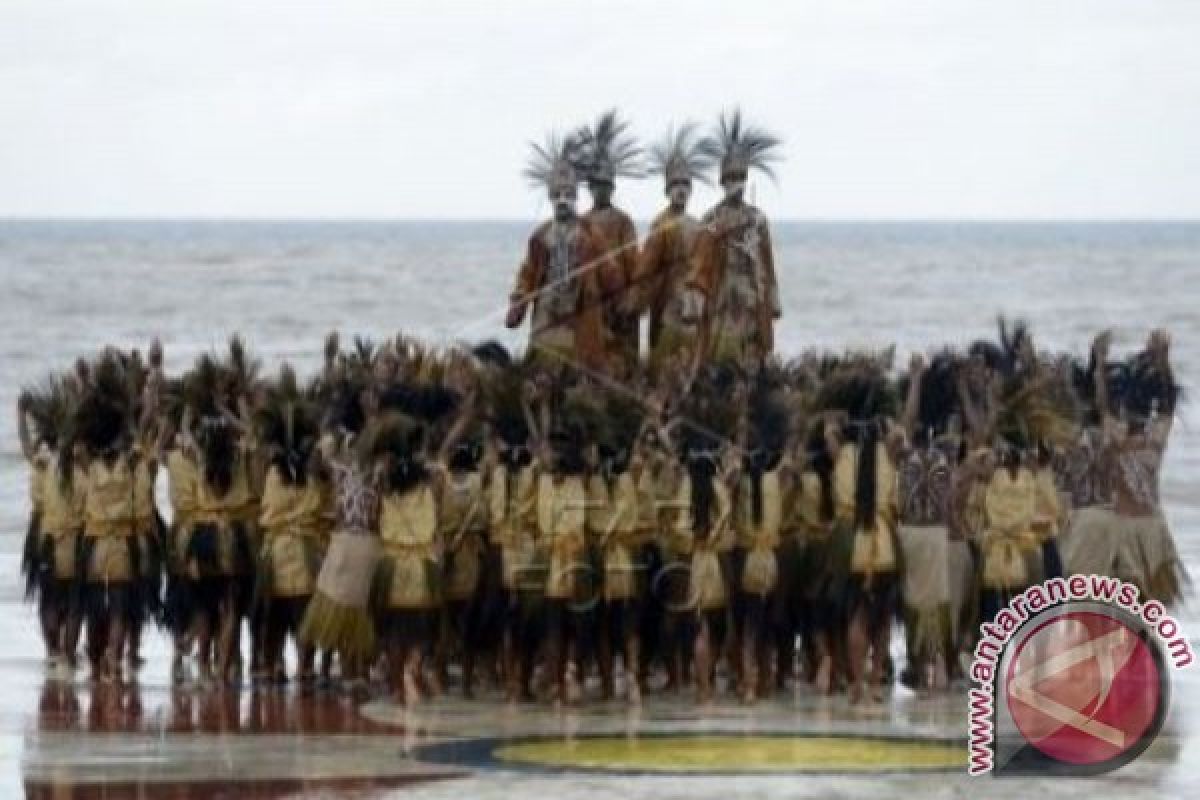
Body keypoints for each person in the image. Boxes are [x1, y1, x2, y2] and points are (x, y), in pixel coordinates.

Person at [507, 133, 616, 375]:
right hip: (546, 319)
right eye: (557, 195)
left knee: (579, 378)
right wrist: (519, 297)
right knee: (540, 374)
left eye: (568, 194)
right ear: (550, 198)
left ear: (576, 197)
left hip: (580, 320)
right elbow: (528, 272)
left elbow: (612, 277)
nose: (562, 200)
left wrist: (602, 270)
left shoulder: (592, 234)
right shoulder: (539, 237)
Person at [684, 110, 783, 367]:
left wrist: (772, 298)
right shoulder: (712, 219)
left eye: (740, 178)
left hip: (751, 297)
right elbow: (699, 262)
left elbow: (767, 262)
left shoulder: (757, 218)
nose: (736, 184)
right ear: (722, 182)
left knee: (754, 352)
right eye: (731, 179)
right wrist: (694, 299)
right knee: (719, 355)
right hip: (722, 296)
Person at [1100, 331, 1188, 604]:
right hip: (1128, 527)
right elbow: (1166, 406)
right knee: (1130, 599)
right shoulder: (1148, 439)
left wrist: (1163, 363)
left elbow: (1167, 404)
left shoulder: (1134, 438)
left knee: (1147, 601)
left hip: (1147, 528)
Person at [634, 123, 711, 373]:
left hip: (691, 304)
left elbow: (704, 266)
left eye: (685, 184)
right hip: (666, 301)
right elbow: (646, 266)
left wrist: (696, 293)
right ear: (667, 189)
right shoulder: (660, 223)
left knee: (690, 361)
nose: (680, 189)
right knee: (663, 361)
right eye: (675, 184)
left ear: (690, 190)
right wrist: (638, 296)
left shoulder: (699, 227)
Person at [19, 379, 85, 670]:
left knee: (49, 600)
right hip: (74, 542)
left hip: (47, 540)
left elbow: (25, 446)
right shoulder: (82, 464)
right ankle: (67, 654)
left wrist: (20, 415)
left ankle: (54, 652)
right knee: (73, 603)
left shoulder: (44, 462)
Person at [578, 109, 642, 375]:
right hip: (592, 301)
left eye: (607, 185)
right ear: (590, 188)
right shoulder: (580, 222)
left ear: (613, 187)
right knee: (592, 356)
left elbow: (634, 262)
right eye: (597, 185)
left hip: (620, 298)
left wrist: (632, 297)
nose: (601, 190)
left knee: (622, 359)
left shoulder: (623, 221)